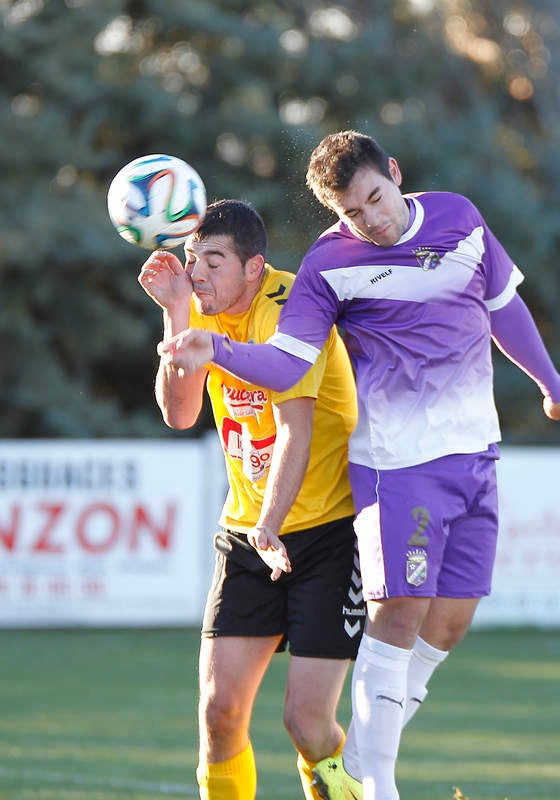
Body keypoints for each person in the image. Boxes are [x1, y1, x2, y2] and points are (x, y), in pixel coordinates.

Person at [158, 132, 560, 800]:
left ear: (394, 173)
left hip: (474, 455)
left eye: (375, 199)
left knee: (450, 622)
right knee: (399, 611)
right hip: (396, 464)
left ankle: (357, 764)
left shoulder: (460, 219)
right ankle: (377, 785)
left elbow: (504, 310)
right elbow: (286, 365)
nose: (372, 219)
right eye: (353, 213)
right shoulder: (329, 265)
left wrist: (553, 385)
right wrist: (214, 346)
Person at [138, 198, 365, 800]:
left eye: (214, 260)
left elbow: (297, 428)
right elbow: (179, 413)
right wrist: (178, 311)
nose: (198, 273)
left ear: (254, 267)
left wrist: (271, 523)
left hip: (327, 536)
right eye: (192, 259)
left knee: (307, 726)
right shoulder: (200, 308)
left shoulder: (293, 310)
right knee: (218, 716)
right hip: (246, 537)